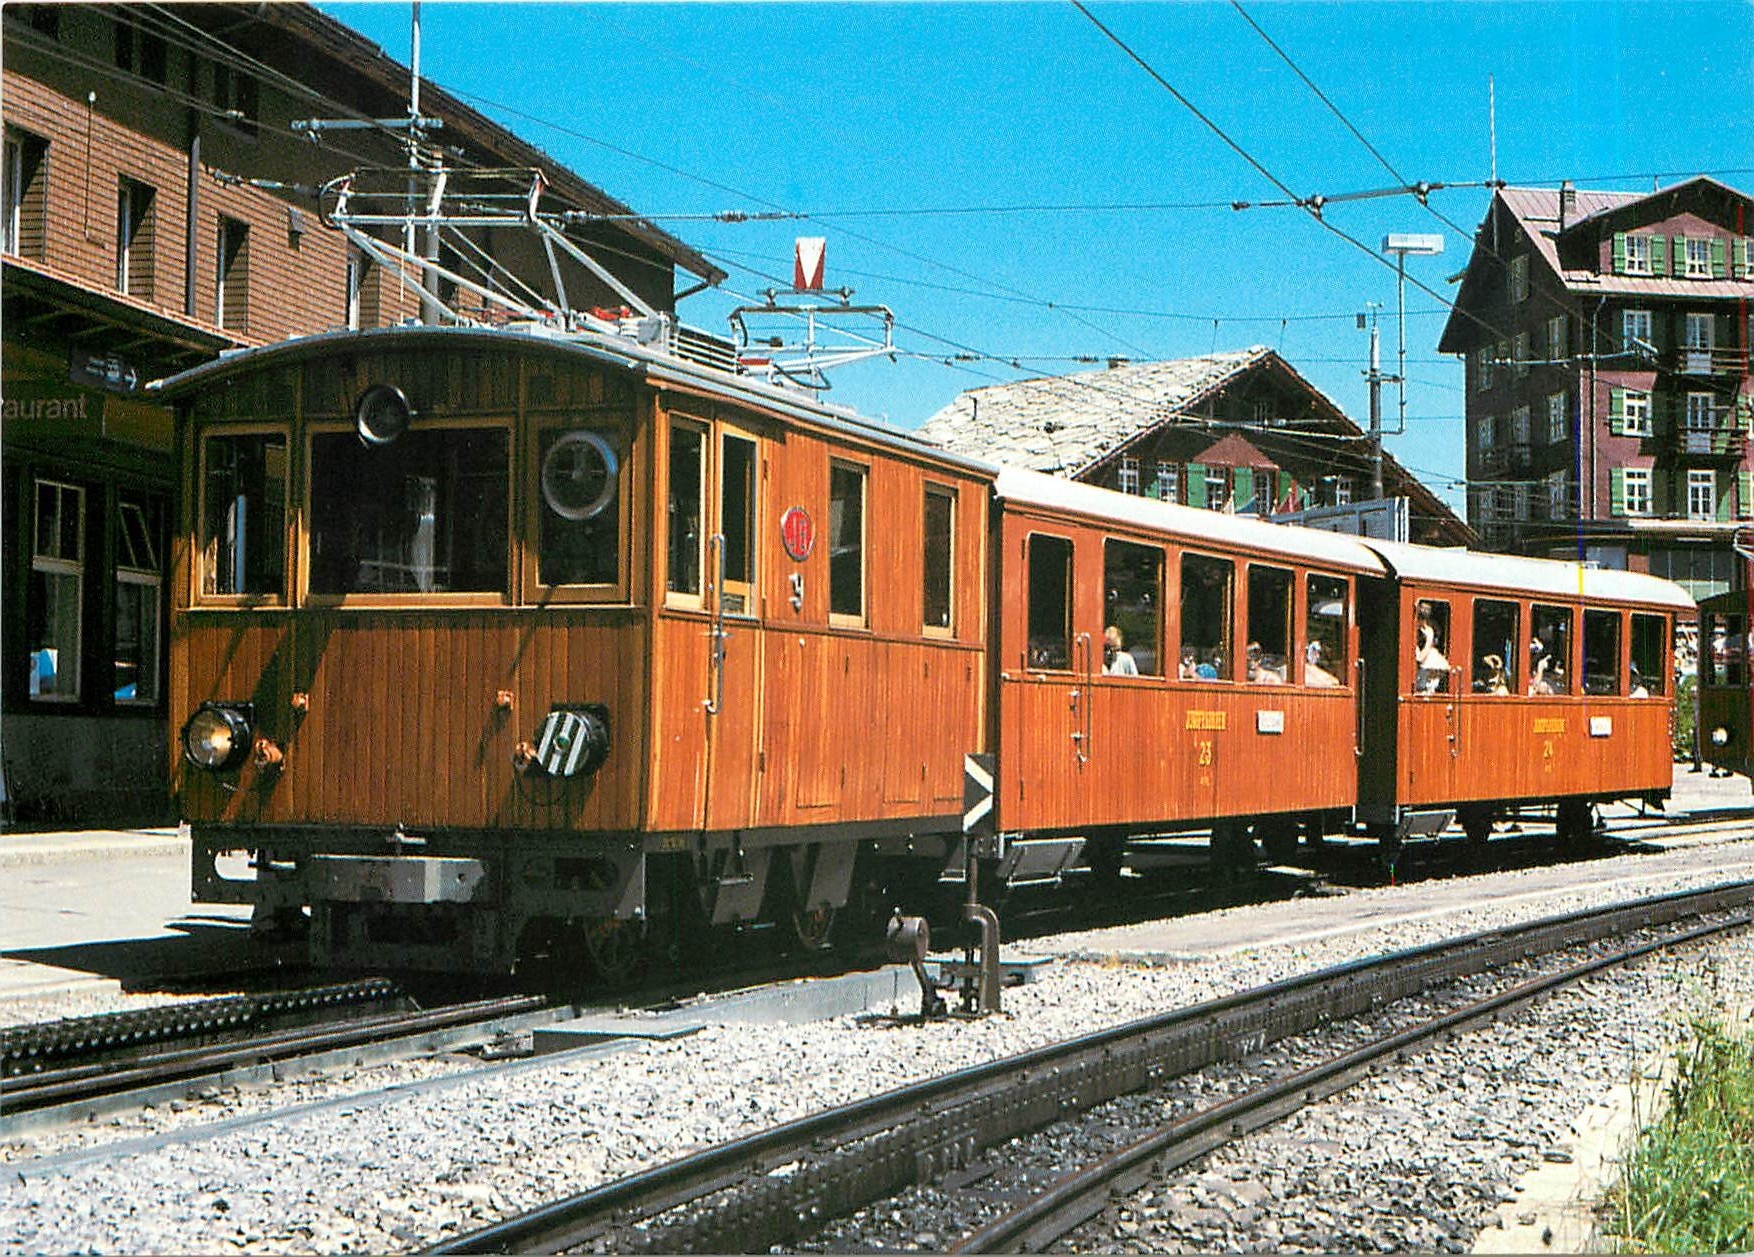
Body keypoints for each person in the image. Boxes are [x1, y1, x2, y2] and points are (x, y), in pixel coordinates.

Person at [1414, 601, 1450, 693]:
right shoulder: (1422, 632)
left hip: (1426, 667)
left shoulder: (1428, 632)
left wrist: (1429, 640)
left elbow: (1420, 658)